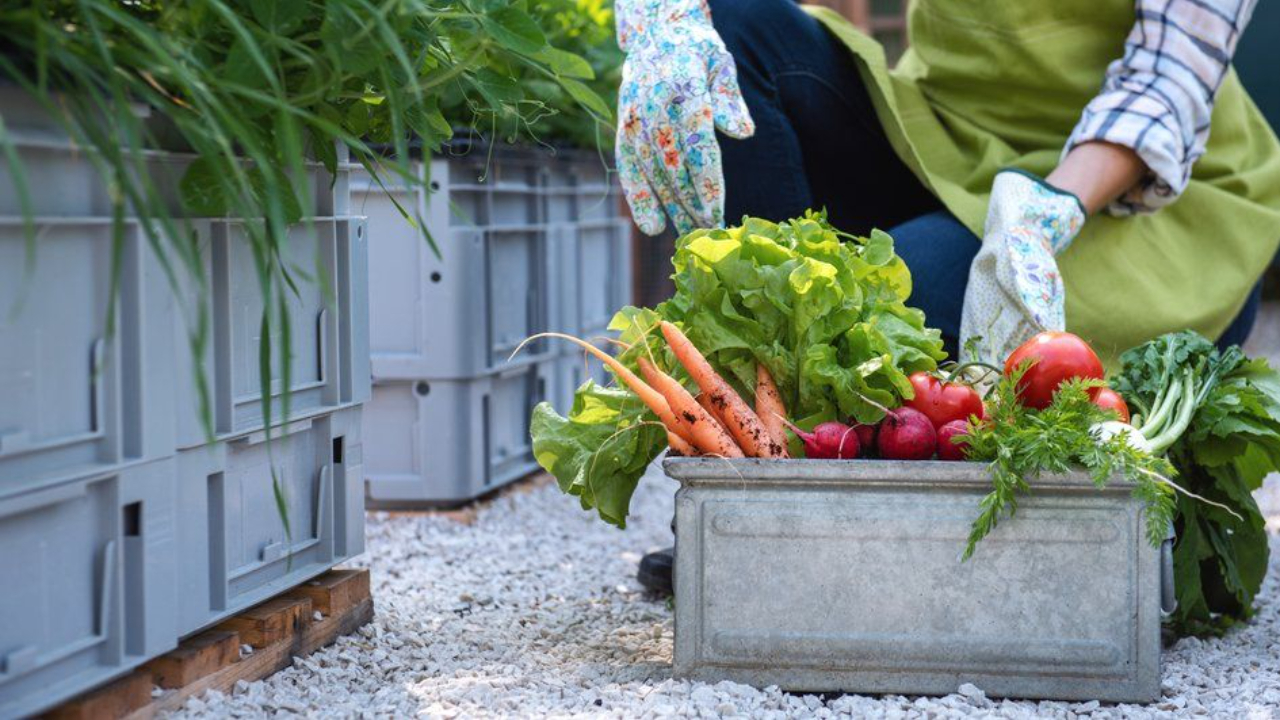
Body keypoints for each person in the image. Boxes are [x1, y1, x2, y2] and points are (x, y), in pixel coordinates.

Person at [615, 0, 1280, 595]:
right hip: (943, 146)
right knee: (736, 30)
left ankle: (804, 504)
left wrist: (1046, 213)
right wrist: (664, 17)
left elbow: (1166, 83)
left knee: (883, 319)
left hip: (1123, 191)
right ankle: (750, 489)